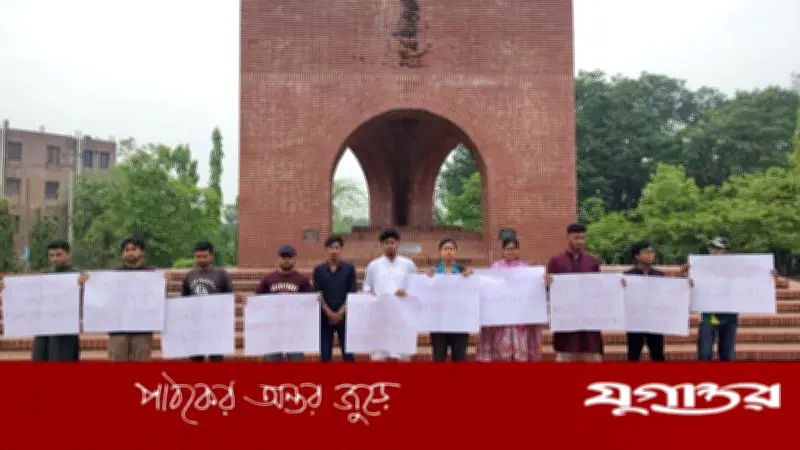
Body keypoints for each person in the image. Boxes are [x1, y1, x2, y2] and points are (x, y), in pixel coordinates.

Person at [0, 240, 88, 361]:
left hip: (64, 329)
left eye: (58, 254)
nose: (54, 258)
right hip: (43, 328)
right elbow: (28, 295)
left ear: (68, 254)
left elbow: (87, 298)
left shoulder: (77, 276)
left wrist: (84, 285)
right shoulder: (45, 275)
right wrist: (8, 288)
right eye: (51, 255)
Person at [545, 224, 612, 362]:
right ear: (567, 237)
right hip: (566, 319)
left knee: (592, 359)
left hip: (588, 319)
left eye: (582, 238)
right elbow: (548, 289)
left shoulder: (592, 262)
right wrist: (548, 283)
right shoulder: (556, 262)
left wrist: (617, 285)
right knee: (564, 360)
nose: (580, 241)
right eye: (576, 238)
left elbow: (599, 288)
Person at [476, 238, 543, 361]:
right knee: (502, 354)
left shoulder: (525, 269)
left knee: (520, 354)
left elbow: (532, 289)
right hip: (502, 321)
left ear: (518, 250)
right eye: (508, 249)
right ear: (503, 251)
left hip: (520, 320)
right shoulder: (496, 268)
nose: (511, 251)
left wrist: (542, 281)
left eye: (513, 249)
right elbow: (487, 289)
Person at [362, 228, 418, 361]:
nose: (389, 245)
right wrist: (370, 292)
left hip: (402, 314)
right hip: (380, 314)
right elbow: (366, 286)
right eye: (386, 243)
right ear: (381, 245)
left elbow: (416, 286)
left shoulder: (408, 264)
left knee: (402, 356)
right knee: (379, 356)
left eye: (392, 242)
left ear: (397, 244)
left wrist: (406, 292)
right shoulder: (373, 265)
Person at [254, 245, 315, 362]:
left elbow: (310, 304)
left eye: (289, 257)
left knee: (295, 363)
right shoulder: (268, 279)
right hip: (272, 330)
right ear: (278, 258)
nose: (286, 259)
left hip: (295, 330)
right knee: (272, 363)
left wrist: (315, 300)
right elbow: (257, 300)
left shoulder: (303, 280)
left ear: (294, 258)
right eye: (283, 257)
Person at [181, 241, 234, 362]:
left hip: (215, 324)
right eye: (198, 256)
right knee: (195, 358)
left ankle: (215, 380)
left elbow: (228, 296)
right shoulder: (190, 275)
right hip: (195, 324)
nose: (201, 259)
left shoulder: (221, 274)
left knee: (216, 358)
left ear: (211, 256)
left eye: (205, 256)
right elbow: (184, 298)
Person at [108, 237, 157, 361]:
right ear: (122, 254)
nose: (130, 252)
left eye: (134, 249)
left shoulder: (152, 274)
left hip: (143, 330)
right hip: (118, 329)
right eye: (126, 250)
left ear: (142, 252)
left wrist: (164, 282)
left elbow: (158, 299)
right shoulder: (114, 275)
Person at [427, 238, 473, 362]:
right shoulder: (433, 272)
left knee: (459, 358)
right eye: (445, 249)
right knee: (438, 358)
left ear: (455, 252)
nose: (448, 251)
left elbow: (473, 290)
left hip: (459, 323)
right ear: (440, 252)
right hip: (439, 323)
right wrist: (427, 280)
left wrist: (471, 276)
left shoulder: (464, 271)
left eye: (451, 249)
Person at [313, 236, 357, 362]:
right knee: (325, 355)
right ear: (326, 250)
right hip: (325, 316)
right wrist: (329, 313)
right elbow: (318, 294)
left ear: (341, 249)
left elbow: (351, 293)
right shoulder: (319, 270)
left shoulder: (349, 269)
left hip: (345, 316)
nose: (334, 251)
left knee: (348, 355)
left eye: (337, 248)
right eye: (331, 248)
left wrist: (340, 313)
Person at [624, 241, 667, 361]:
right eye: (646, 253)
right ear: (636, 256)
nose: (650, 255)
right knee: (633, 354)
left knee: (658, 353)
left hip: (654, 320)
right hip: (635, 321)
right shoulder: (627, 276)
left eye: (651, 252)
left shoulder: (659, 275)